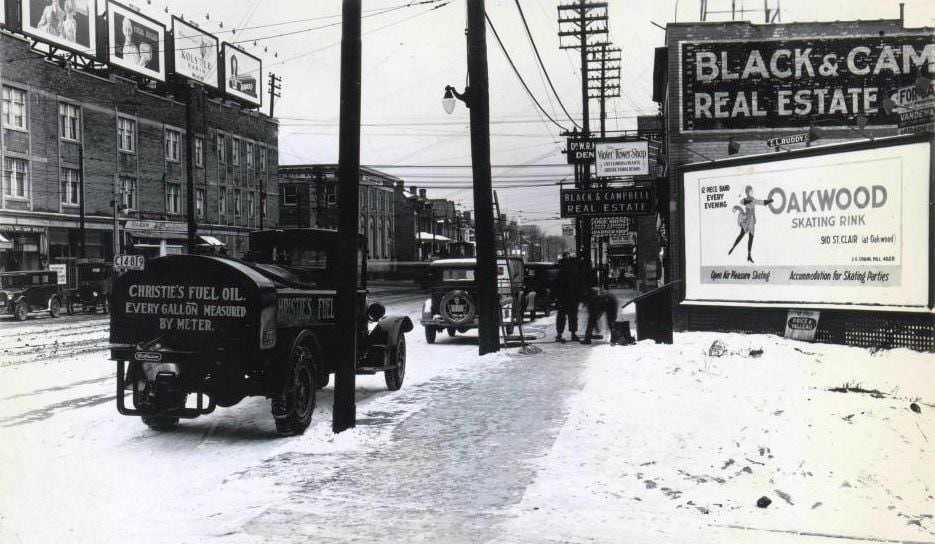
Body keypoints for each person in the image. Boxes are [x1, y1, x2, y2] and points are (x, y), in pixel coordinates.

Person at [728, 185, 774, 263]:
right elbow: (741, 202)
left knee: (751, 238)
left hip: (752, 221)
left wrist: (770, 201)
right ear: (748, 192)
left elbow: (762, 202)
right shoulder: (746, 199)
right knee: (741, 235)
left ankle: (749, 255)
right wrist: (750, 201)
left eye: (752, 191)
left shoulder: (754, 200)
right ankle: (733, 247)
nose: (753, 192)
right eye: (751, 191)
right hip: (746, 220)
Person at [552, 254, 582, 343]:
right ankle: (573, 334)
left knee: (561, 317)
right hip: (572, 299)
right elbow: (578, 287)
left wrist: (553, 298)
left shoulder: (560, 273)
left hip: (562, 299)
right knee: (573, 317)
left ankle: (559, 334)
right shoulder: (575, 272)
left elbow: (555, 286)